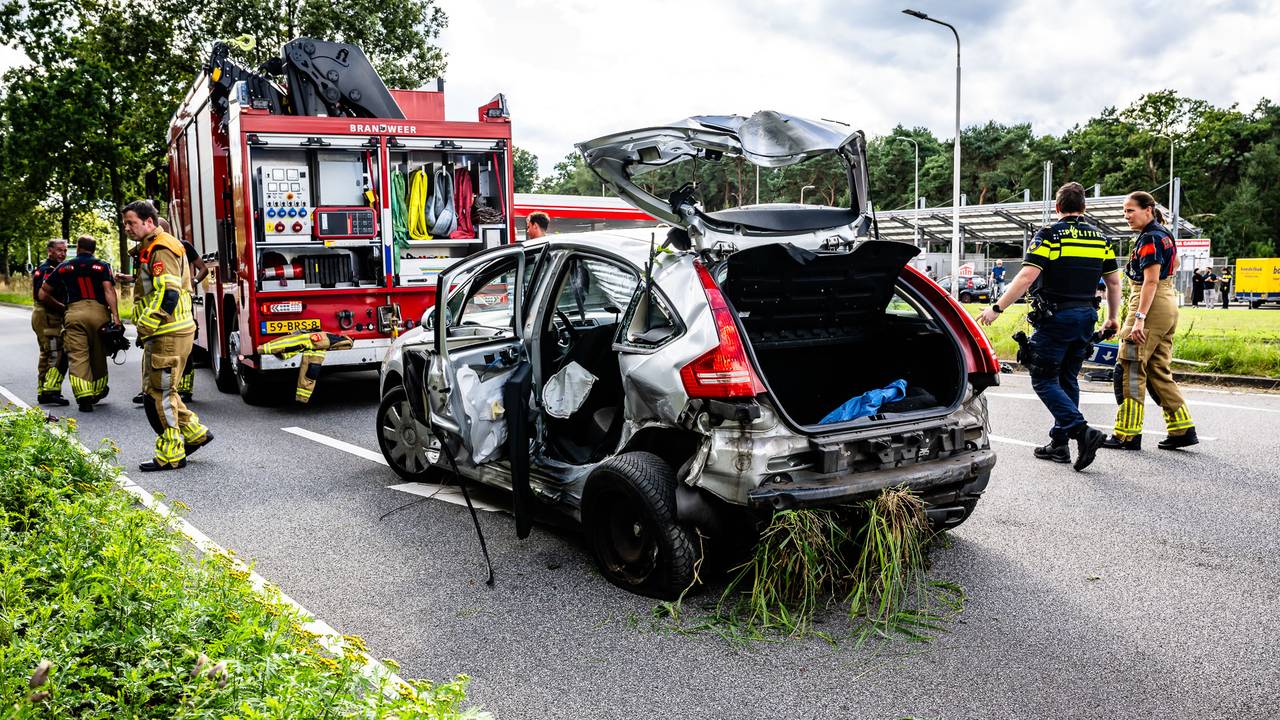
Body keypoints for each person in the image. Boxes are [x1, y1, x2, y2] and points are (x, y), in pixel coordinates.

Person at [979, 182, 1119, 471]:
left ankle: (1081, 432)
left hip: (1057, 318)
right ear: (1085, 207)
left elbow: (1027, 276)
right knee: (1068, 378)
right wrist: (1112, 317)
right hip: (1086, 317)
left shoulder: (1049, 235)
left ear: (1057, 208)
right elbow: (1114, 282)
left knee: (1043, 379)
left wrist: (997, 308)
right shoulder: (1099, 238)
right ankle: (1059, 444)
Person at [121, 200, 213, 471]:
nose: (127, 228)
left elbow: (168, 294)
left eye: (131, 222)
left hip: (167, 331)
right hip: (172, 329)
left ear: (149, 222)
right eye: (125, 223)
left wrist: (147, 326)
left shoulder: (160, 248)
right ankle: (194, 434)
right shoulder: (156, 245)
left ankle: (171, 454)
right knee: (164, 390)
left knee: (158, 394)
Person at [1102, 191, 1197, 451]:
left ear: (1148, 209)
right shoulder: (1164, 234)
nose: (1126, 216)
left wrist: (1139, 319)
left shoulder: (1150, 238)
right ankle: (1182, 429)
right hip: (1167, 302)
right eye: (1124, 211)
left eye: (1130, 210)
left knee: (1130, 365)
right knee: (1157, 369)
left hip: (1149, 302)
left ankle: (1127, 434)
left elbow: (1150, 281)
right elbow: (1174, 264)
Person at [38, 235, 120, 412]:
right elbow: (109, 291)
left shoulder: (63, 267)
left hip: (74, 313)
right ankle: (97, 390)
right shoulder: (103, 266)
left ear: (79, 248)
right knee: (98, 354)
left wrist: (63, 308)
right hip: (99, 314)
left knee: (77, 356)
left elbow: (43, 293)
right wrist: (116, 318)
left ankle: (83, 398)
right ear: (94, 249)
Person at [31, 238, 70, 405]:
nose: (63, 253)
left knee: (47, 353)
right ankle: (50, 391)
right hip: (48, 315)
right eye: (59, 250)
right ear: (50, 251)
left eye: (65, 250)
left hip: (44, 314)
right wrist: (63, 308)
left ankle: (44, 391)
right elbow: (44, 295)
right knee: (55, 353)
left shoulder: (48, 267)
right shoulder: (50, 270)